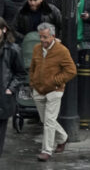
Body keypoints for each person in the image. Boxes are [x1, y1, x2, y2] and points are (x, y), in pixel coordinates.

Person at [29, 22, 77, 161]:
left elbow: (71, 71)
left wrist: (56, 81)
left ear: (53, 36)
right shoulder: (37, 48)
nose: (43, 40)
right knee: (46, 120)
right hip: (38, 88)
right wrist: (32, 82)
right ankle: (63, 137)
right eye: (41, 37)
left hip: (54, 90)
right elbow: (32, 67)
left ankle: (46, 151)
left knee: (49, 121)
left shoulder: (62, 50)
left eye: (45, 37)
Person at [0, 18, 27, 158]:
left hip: (3, 95)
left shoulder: (12, 50)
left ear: (4, 30)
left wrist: (10, 89)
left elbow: (21, 73)